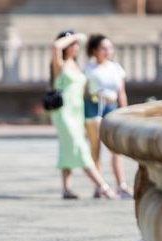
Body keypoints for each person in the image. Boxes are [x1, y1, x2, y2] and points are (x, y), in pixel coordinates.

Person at [50, 30, 116, 199]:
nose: (75, 47)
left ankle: (66, 188)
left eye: (77, 44)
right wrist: (74, 36)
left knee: (67, 148)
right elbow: (55, 46)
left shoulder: (77, 65)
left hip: (78, 112)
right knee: (80, 148)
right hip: (63, 113)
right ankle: (103, 186)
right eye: (72, 45)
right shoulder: (60, 64)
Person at [84, 34, 133, 199]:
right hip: (95, 107)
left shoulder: (116, 68)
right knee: (96, 148)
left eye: (110, 48)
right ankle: (99, 185)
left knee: (115, 148)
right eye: (104, 48)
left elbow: (121, 92)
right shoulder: (89, 69)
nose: (108, 51)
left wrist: (125, 112)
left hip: (111, 106)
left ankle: (121, 184)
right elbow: (83, 92)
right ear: (95, 50)